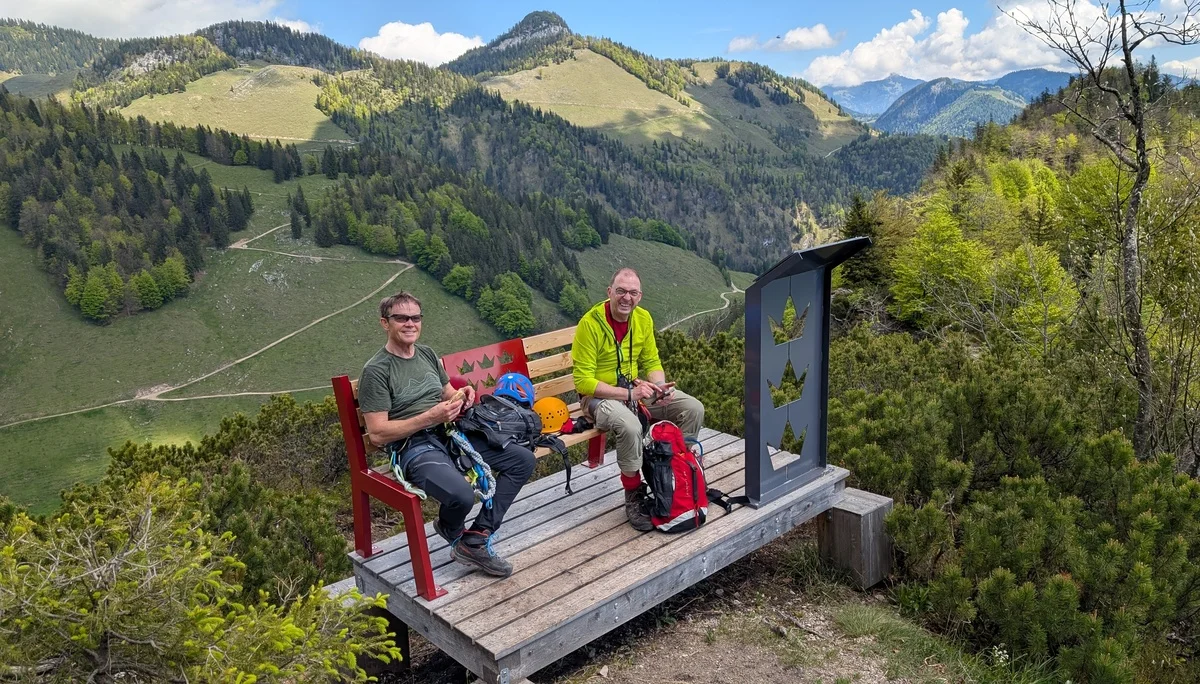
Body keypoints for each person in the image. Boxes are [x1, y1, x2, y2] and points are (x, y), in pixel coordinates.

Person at [358, 291, 535, 577]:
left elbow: (447, 393)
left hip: (451, 434)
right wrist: (430, 417)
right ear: (384, 323)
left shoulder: (427, 354)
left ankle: (476, 538)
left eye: (415, 317)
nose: (410, 323)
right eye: (401, 318)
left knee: (522, 460)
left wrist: (462, 396)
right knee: (461, 496)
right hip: (414, 446)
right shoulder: (377, 370)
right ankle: (451, 528)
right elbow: (378, 434)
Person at [571, 268, 706, 530]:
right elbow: (583, 382)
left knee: (692, 408)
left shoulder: (642, 319)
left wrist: (660, 388)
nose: (626, 298)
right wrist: (629, 394)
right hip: (597, 397)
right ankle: (633, 492)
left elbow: (651, 361)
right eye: (620, 291)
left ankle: (677, 471)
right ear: (609, 292)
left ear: (640, 296)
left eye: (633, 293)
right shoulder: (590, 324)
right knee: (630, 425)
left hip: (634, 389)